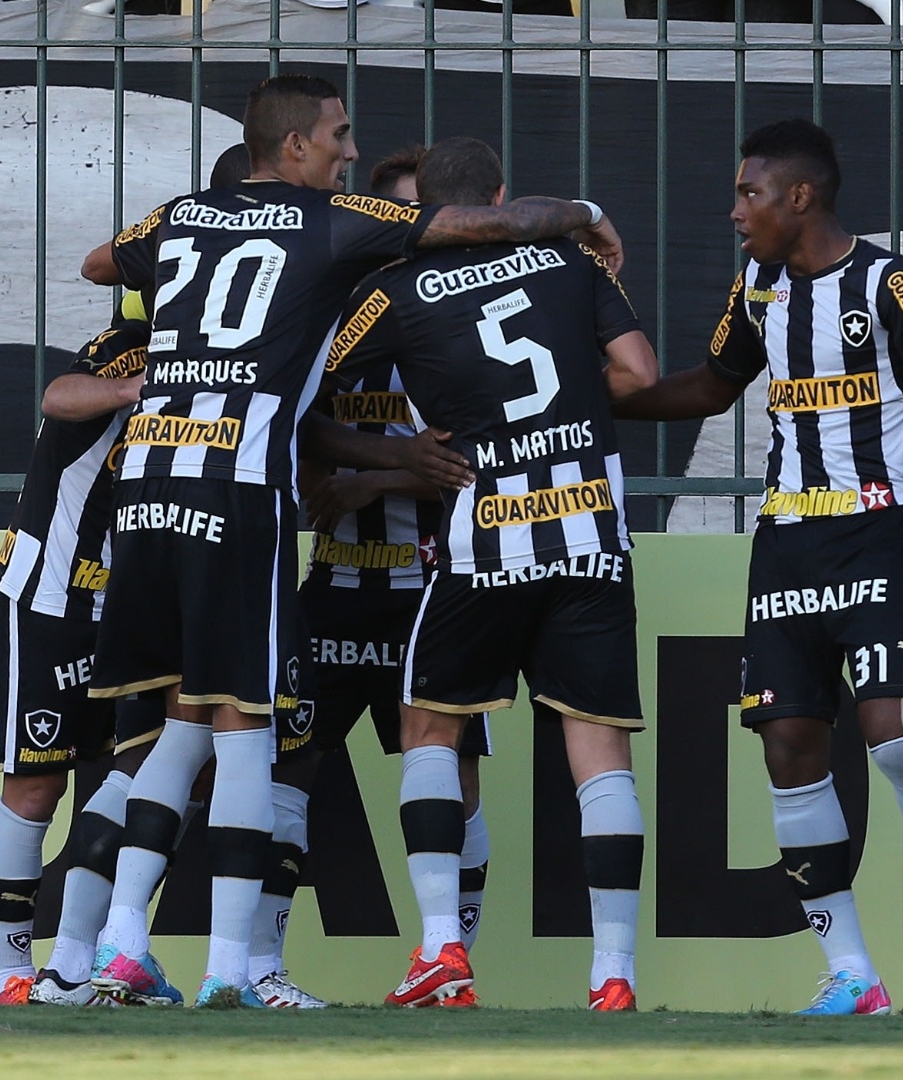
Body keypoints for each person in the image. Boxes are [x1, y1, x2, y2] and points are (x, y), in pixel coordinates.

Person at [78, 74, 623, 1009]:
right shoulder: (335, 225)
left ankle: (124, 942)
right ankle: (229, 972)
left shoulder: (181, 214)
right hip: (236, 487)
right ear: (293, 147)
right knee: (247, 735)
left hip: (148, 480)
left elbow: (99, 264)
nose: (344, 148)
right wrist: (584, 211)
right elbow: (465, 226)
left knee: (178, 719)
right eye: (335, 134)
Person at [611, 118, 903, 1017]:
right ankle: (852, 974)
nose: (736, 211)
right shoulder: (758, 285)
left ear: (799, 196)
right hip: (785, 539)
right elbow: (710, 384)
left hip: (877, 530)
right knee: (789, 746)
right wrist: (604, 399)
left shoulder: (892, 283)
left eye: (750, 194)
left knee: (894, 734)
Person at [323, 136, 659, 1011]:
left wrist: (386, 452)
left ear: (429, 215)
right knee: (600, 752)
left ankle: (442, 951)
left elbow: (308, 380)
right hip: (589, 528)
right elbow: (641, 373)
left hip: (487, 536)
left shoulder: (394, 291)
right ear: (501, 196)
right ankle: (614, 972)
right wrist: (568, 403)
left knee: (428, 730)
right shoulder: (567, 259)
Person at [241, 145, 494, 1010]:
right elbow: (289, 425)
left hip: (430, 594)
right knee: (287, 771)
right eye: (396, 222)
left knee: (454, 777)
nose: (409, 241)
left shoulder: (457, 327)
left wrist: (372, 480)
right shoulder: (329, 323)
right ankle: (261, 967)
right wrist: (375, 468)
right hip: (334, 590)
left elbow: (470, 459)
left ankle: (445, 959)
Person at [25, 145, 256, 1008]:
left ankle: (81, 961)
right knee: (200, 746)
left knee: (148, 758)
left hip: (141, 562)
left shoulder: (159, 322)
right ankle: (220, 969)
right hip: (186, 555)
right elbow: (59, 394)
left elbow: (98, 265)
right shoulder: (160, 342)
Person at [0, 299, 145, 1005]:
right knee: (36, 788)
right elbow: (59, 394)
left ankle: (80, 964)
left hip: (131, 610)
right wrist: (129, 390)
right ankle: (13, 975)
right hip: (49, 600)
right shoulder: (134, 342)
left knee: (136, 776)